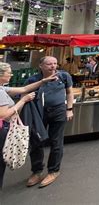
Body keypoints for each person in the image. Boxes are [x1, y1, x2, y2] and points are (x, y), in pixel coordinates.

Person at [0, 62, 57, 190]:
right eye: (9, 72)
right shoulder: (0, 92)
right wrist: (22, 101)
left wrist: (43, 81)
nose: (11, 74)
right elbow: (4, 115)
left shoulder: (3, 88)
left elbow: (24, 89)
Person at [25, 56, 74, 188]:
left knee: (56, 141)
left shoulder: (64, 76)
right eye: (49, 64)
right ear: (41, 66)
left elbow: (69, 92)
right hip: (39, 112)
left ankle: (53, 170)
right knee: (36, 141)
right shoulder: (33, 80)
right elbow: (25, 94)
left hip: (58, 111)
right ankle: (37, 171)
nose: (53, 66)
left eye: (55, 63)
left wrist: (69, 109)